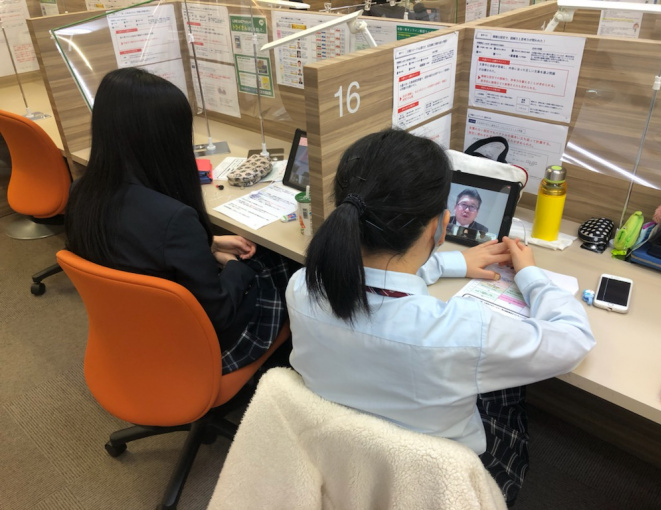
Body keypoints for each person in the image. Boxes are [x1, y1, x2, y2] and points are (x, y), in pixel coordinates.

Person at [285, 129, 595, 505]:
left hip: (340, 464)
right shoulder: (460, 331)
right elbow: (574, 339)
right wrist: (531, 274)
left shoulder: (302, 286)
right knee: (508, 388)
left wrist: (451, 262)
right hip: (443, 483)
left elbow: (383, 277)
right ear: (441, 225)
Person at [65, 67, 297, 374]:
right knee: (280, 264)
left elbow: (137, 248)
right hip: (197, 347)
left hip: (134, 331)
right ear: (164, 139)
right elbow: (220, 313)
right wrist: (234, 266)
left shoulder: (81, 192)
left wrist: (209, 244)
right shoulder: (174, 218)